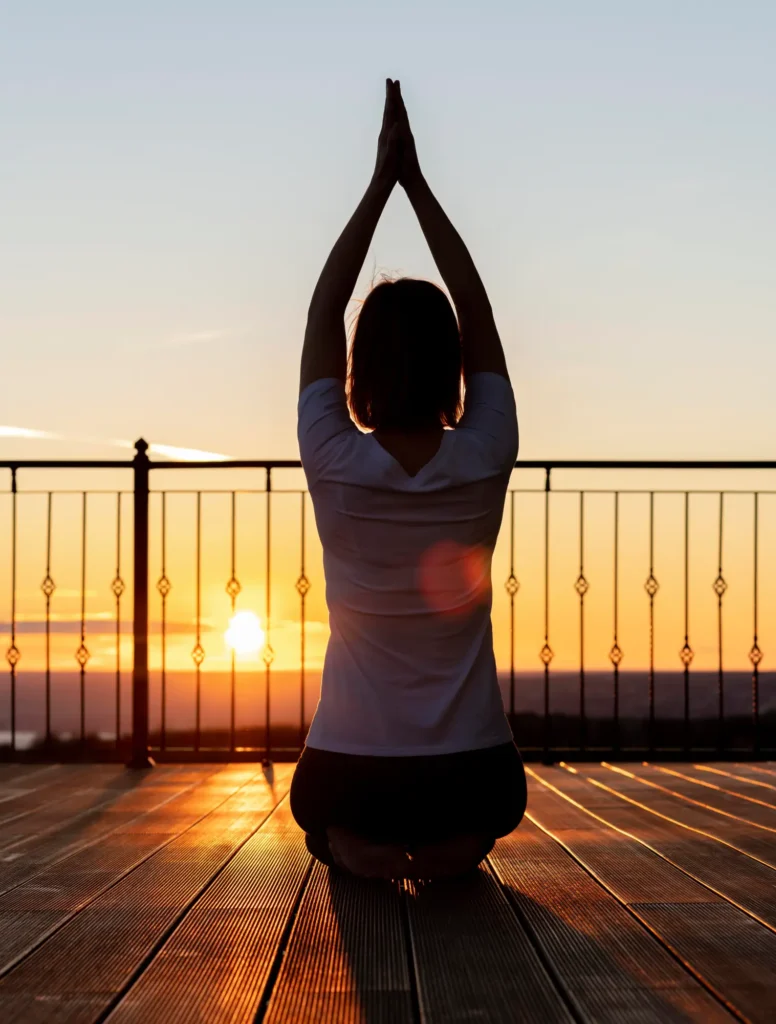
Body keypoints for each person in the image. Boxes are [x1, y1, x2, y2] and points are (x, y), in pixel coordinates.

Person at [291, 79, 526, 880]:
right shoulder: (484, 449)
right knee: (488, 817)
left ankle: (358, 847)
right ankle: (455, 847)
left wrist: (376, 188)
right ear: (452, 369)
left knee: (320, 814)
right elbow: (477, 310)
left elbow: (323, 316)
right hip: (474, 772)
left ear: (357, 375)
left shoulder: (334, 456)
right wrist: (417, 186)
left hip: (351, 772)